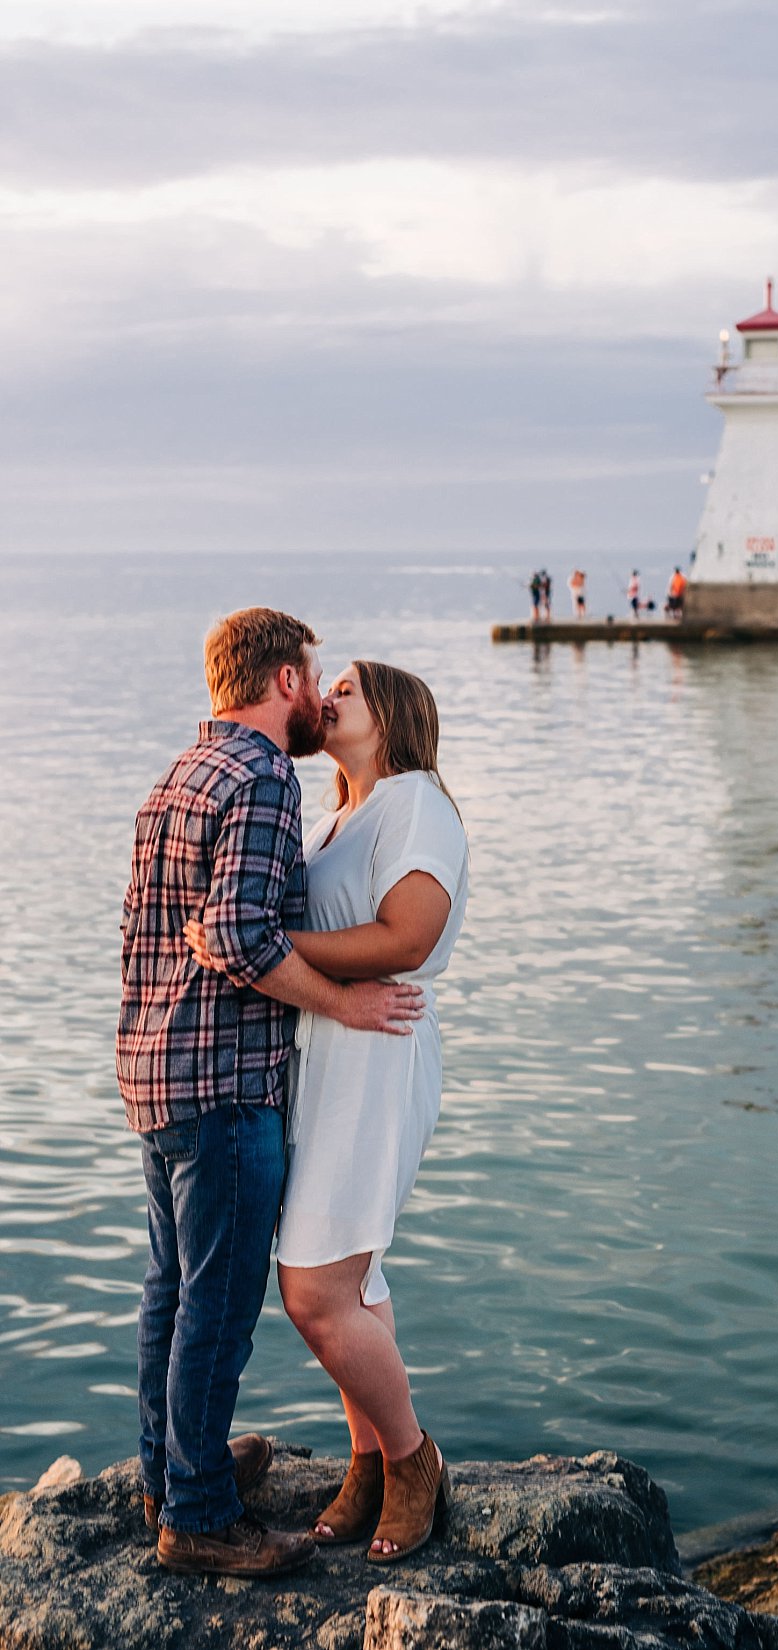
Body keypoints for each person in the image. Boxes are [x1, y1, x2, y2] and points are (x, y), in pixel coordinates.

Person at [118, 607, 421, 1580]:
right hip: (224, 1089)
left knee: (169, 1295)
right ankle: (201, 1516)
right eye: (315, 674)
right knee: (213, 1308)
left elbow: (172, 932)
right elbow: (244, 938)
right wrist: (345, 1003)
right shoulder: (259, 779)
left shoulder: (179, 773)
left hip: (155, 1077)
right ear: (285, 678)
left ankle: (173, 1476)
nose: (321, 692)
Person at [186, 659, 468, 1565]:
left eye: (347, 683)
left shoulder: (416, 802)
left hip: (377, 1056)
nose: (329, 693)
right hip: (324, 1057)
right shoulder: (336, 814)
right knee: (357, 1282)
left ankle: (415, 1459)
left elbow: (409, 937)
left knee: (314, 1291)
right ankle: (369, 1461)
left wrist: (268, 944)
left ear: (391, 713)